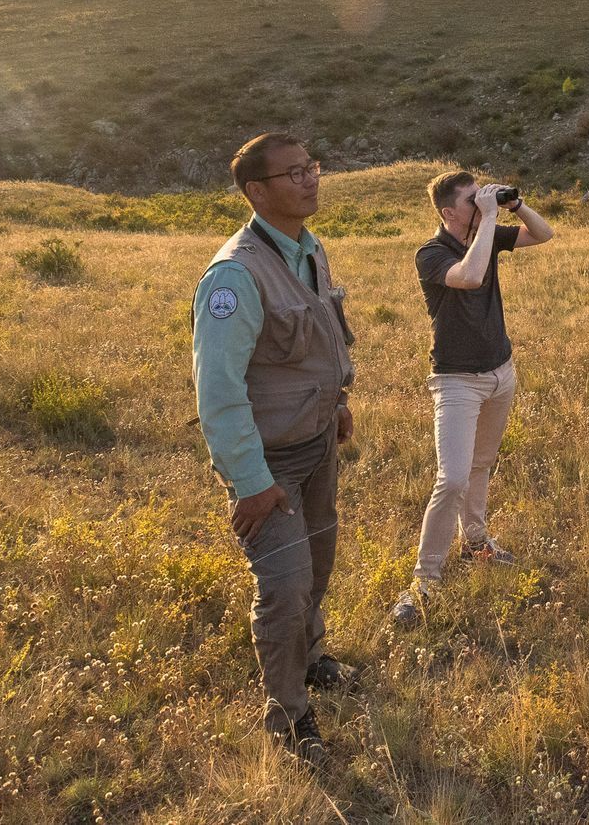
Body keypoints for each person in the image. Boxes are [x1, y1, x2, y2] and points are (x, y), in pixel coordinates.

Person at [191, 132, 356, 767]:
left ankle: (312, 658)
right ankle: (288, 713)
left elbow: (323, 334)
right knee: (285, 588)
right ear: (258, 192)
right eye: (294, 174)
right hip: (270, 463)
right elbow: (219, 392)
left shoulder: (309, 251)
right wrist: (253, 483)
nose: (311, 180)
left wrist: (337, 401)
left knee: (320, 559)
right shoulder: (234, 276)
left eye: (312, 166)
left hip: (317, 445)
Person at [391, 171, 554, 628]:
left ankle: (477, 541)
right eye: (471, 199)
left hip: (501, 372)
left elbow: (544, 234)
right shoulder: (432, 253)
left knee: (481, 463)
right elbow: (471, 275)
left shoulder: (483, 229)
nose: (481, 203)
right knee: (454, 476)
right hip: (457, 380)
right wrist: (487, 222)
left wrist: (515, 204)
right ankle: (424, 580)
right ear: (448, 212)